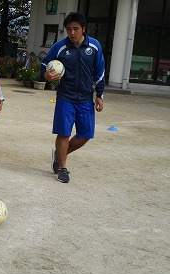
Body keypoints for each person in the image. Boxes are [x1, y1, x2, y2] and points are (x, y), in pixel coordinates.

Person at [40, 12, 105, 183]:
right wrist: (46, 75)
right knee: (63, 133)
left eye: (76, 29)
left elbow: (100, 72)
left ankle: (60, 154)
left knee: (85, 135)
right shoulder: (60, 46)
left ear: (83, 29)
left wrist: (100, 95)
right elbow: (44, 64)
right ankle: (62, 168)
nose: (72, 33)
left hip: (85, 98)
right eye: (69, 29)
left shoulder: (95, 47)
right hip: (65, 97)